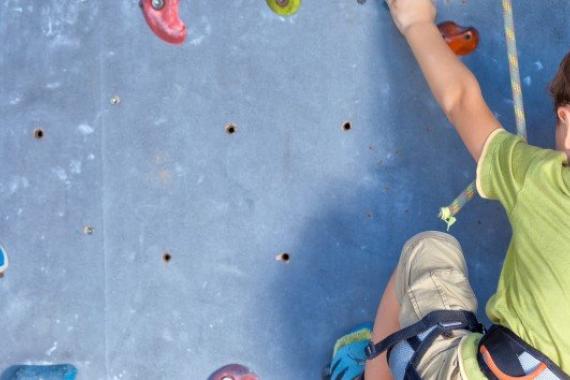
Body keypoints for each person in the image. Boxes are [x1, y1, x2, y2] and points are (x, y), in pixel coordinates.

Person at [328, 0, 570, 379]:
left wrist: (416, 22)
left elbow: (461, 101)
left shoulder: (547, 179)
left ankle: (371, 374)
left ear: (566, 120)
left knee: (427, 251)